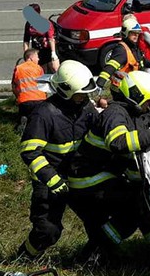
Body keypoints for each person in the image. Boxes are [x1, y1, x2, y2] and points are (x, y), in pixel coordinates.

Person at [68, 70, 150, 264]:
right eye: (147, 101)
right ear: (135, 97)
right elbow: (118, 142)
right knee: (133, 206)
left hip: (103, 173)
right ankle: (96, 252)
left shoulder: (130, 113)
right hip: (87, 177)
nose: (149, 106)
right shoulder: (115, 113)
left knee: (140, 202)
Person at [16, 60, 97, 259]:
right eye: (80, 94)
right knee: (48, 231)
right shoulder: (44, 114)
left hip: (79, 176)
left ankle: (91, 258)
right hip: (51, 181)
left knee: (98, 221)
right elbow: (30, 151)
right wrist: (51, 179)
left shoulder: (85, 108)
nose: (84, 97)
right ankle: (25, 257)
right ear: (65, 91)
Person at [95, 17, 150, 93]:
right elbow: (110, 68)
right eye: (133, 33)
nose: (136, 36)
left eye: (137, 33)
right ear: (126, 33)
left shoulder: (134, 48)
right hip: (122, 91)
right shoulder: (121, 50)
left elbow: (140, 60)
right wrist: (99, 84)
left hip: (133, 86)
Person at [12, 48, 46, 130]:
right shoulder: (39, 68)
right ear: (30, 57)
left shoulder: (18, 68)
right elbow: (44, 85)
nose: (38, 59)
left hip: (24, 101)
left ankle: (23, 120)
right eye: (37, 57)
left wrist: (17, 97)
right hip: (40, 100)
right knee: (39, 119)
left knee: (24, 113)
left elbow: (14, 86)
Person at [23, 3, 59, 73]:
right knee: (41, 71)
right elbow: (26, 40)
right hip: (37, 51)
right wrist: (26, 54)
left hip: (48, 49)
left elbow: (51, 39)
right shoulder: (28, 24)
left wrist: (53, 53)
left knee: (55, 68)